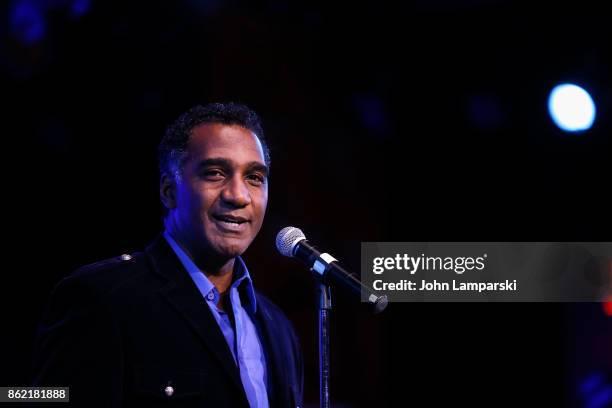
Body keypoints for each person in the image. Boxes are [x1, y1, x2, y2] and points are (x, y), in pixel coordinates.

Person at [31, 103, 303, 408]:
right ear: (168, 190)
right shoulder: (102, 299)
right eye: (215, 173)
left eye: (254, 177)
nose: (238, 196)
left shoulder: (279, 329)